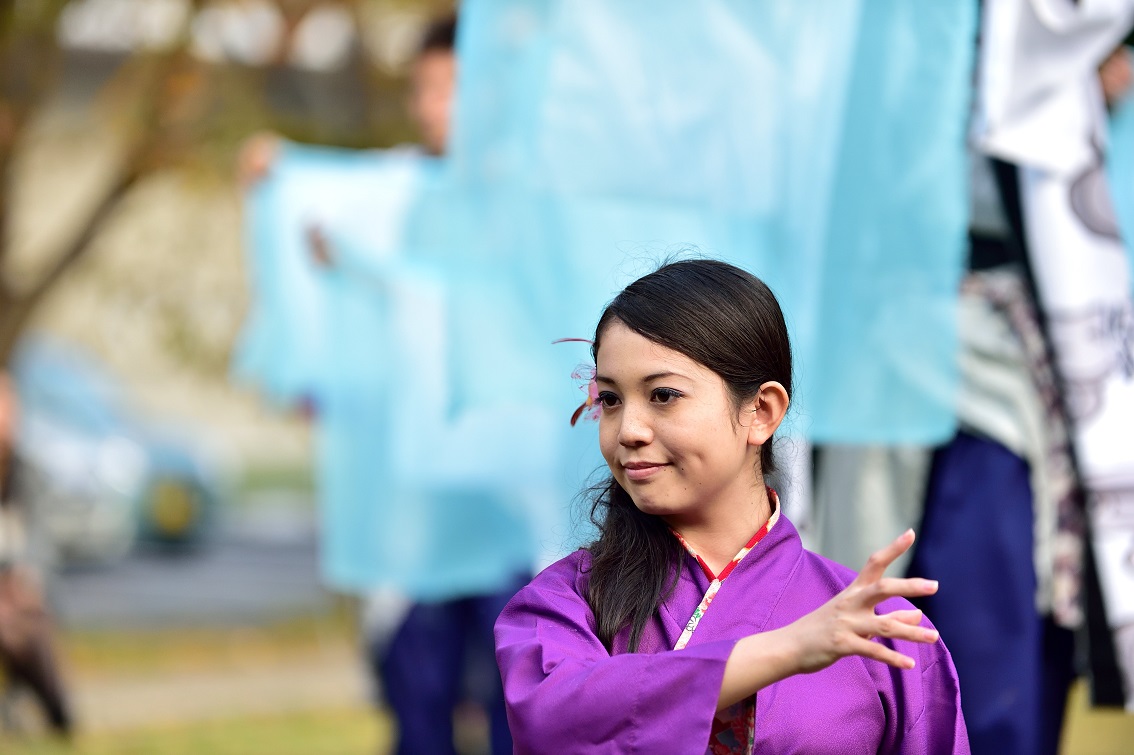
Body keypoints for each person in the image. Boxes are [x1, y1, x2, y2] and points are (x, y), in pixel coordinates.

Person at [495, 260, 969, 754]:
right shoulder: (560, 605)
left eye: (663, 395)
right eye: (611, 400)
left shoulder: (879, 631)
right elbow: (554, 720)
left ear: (761, 412)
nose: (629, 429)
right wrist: (787, 649)